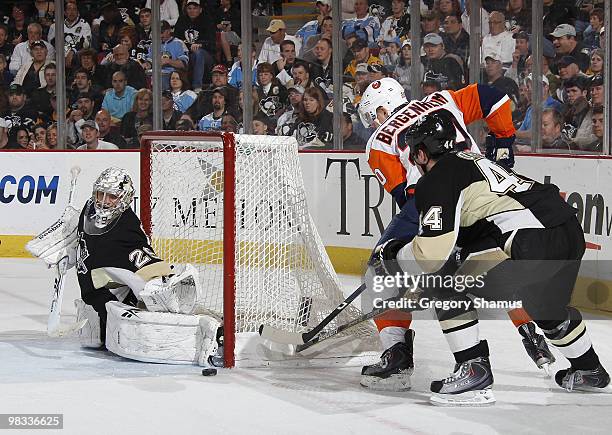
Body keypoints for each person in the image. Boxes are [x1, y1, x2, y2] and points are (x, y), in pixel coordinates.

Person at [375, 110, 610, 404]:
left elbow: (431, 254)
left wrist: (395, 254)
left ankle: (473, 370)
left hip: (528, 239)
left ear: (421, 154)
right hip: (567, 231)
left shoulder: (436, 179)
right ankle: (589, 369)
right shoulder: (475, 161)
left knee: (443, 281)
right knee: (546, 307)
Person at [357, 77, 554, 392]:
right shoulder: (443, 99)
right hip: (484, 187)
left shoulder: (379, 139)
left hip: (435, 197)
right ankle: (533, 334)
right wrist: (503, 143)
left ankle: (397, 358)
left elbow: (404, 195)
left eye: (372, 116)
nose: (373, 123)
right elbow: (496, 96)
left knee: (381, 271)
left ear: (382, 110)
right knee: (495, 261)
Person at [173, 1, 216, 91]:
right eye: (190, 8)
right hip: (187, 53)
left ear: (200, 10)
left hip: (206, 55)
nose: (192, 11)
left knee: (198, 53)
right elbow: (176, 39)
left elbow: (212, 42)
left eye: (195, 8)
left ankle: (197, 87)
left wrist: (200, 44)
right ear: (186, 10)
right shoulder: (182, 20)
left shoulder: (207, 20)